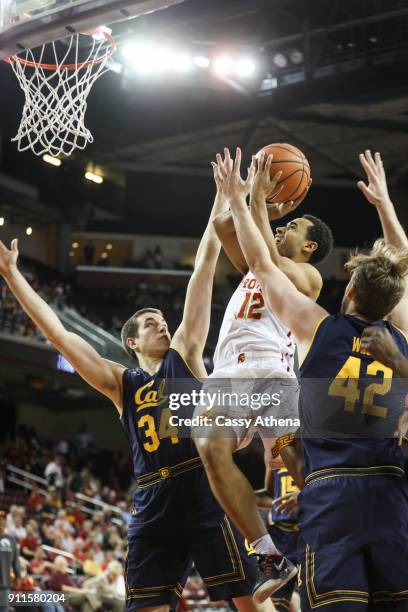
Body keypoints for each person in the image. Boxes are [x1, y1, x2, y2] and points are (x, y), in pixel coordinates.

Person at [0, 152, 270, 612]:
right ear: (130, 341)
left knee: (249, 602)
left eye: (163, 320)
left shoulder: (185, 353)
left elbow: (204, 265)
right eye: (151, 323)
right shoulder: (118, 381)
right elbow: (59, 336)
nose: (163, 326)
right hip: (153, 501)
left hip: (203, 488)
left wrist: (223, 197)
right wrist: (11, 275)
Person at [225, 147, 408, 610]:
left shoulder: (320, 328)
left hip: (332, 491)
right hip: (391, 490)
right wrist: (386, 208)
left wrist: (246, 200)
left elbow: (262, 265)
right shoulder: (402, 338)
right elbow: (403, 268)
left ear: (348, 290)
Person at [194, 150, 333, 601]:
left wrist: (254, 200)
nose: (284, 225)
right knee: (210, 448)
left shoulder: (307, 274)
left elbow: (265, 262)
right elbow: (222, 229)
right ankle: (270, 554)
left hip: (273, 371)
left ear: (310, 246)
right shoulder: (261, 260)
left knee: (293, 459)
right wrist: (243, 198)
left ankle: (330, 531)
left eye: (293, 226)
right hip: (229, 373)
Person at [0, 510, 20, 612]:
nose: (1, 522)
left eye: (3, 520)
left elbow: (16, 561)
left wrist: (18, 577)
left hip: (4, 583)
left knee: (3, 609)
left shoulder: (11, 540)